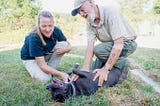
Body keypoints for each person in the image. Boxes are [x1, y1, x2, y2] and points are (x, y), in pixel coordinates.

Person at [71, 0, 137, 86]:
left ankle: (124, 63)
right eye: (79, 12)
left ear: (91, 2)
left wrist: (106, 68)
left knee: (99, 50)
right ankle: (116, 65)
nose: (82, 14)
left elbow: (118, 43)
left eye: (82, 9)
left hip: (126, 43)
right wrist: (85, 69)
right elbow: (90, 46)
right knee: (94, 70)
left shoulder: (111, 11)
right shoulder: (90, 23)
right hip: (109, 46)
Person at [21, 11, 71, 83]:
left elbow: (69, 45)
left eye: (50, 25)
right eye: (44, 26)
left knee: (63, 44)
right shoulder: (33, 37)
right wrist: (61, 74)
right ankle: (31, 67)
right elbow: (42, 65)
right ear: (39, 25)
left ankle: (49, 69)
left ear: (53, 24)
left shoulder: (56, 30)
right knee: (45, 79)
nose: (48, 29)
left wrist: (67, 49)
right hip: (30, 59)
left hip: (43, 55)